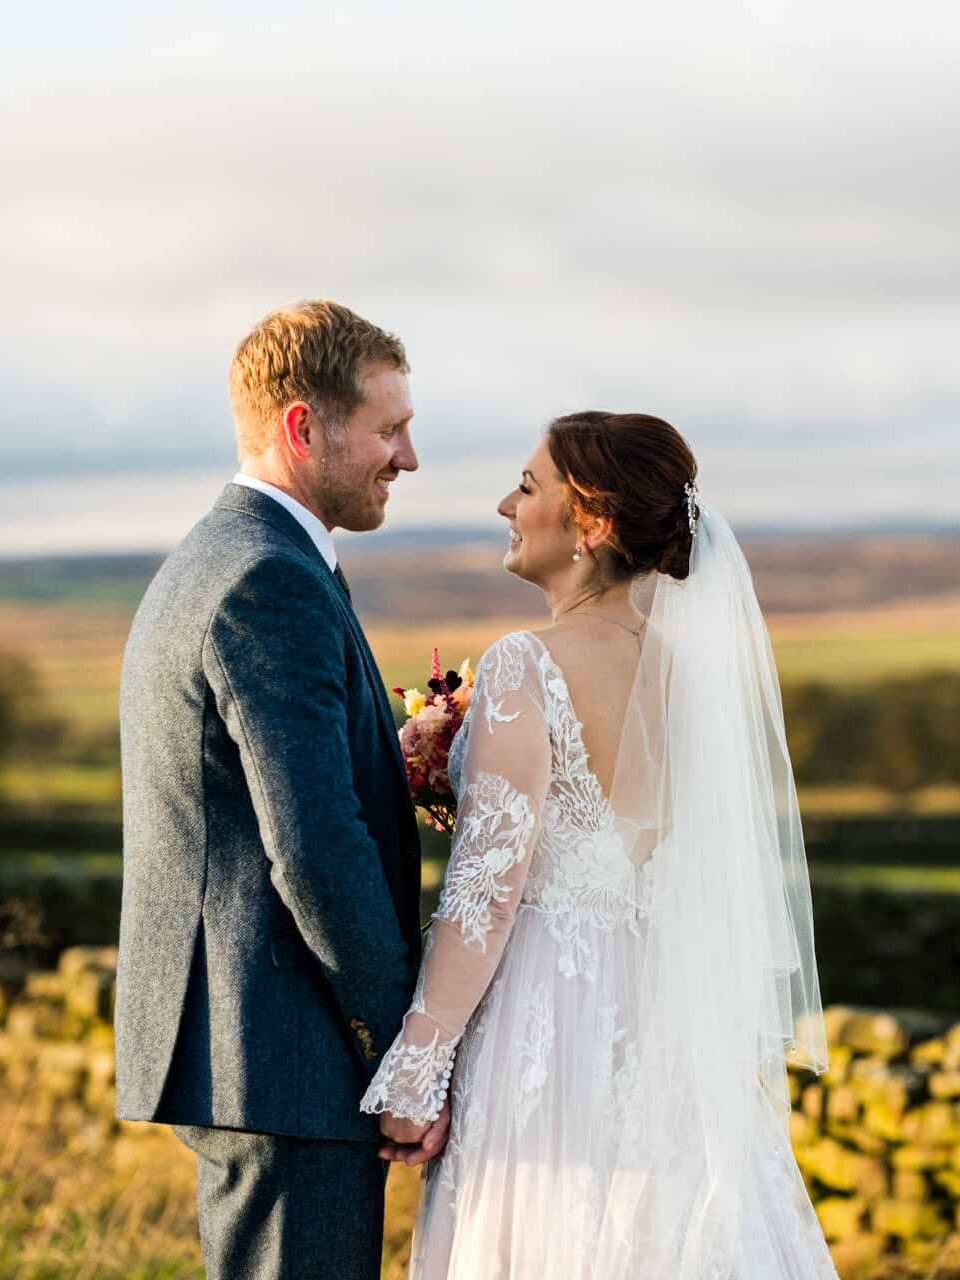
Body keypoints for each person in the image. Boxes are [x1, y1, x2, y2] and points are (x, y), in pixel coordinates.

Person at [362, 411, 838, 1278]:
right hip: (660, 1011)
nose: (507, 504)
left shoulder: (522, 664)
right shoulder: (689, 677)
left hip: (545, 1015)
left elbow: (485, 893)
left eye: (529, 486)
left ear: (593, 522)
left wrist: (417, 1064)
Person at [116, 300, 445, 1280]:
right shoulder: (271, 576)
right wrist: (401, 1048)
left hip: (256, 1042)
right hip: (290, 1049)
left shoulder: (230, 553)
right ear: (305, 427)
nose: (409, 458)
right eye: (389, 429)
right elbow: (313, 841)